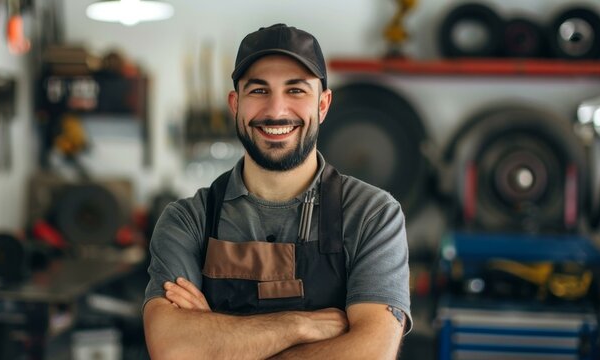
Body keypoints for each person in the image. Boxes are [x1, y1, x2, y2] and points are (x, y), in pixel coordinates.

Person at [143, 23, 411, 359]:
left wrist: (216, 339)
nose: (276, 111)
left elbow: (371, 354)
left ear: (323, 105)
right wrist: (300, 326)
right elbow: (172, 349)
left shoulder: (371, 214)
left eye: (296, 90)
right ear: (235, 104)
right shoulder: (188, 221)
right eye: (258, 91)